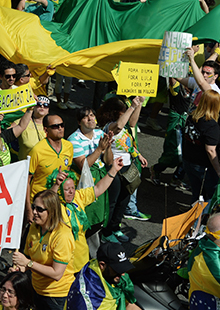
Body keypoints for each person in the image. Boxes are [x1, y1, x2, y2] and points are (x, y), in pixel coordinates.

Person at [49, 157, 124, 294]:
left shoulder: (78, 197)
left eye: (72, 187)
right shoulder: (53, 207)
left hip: (81, 261)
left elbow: (98, 188)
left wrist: (113, 170)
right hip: (63, 266)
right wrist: (56, 185)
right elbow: (46, 202)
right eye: (66, 189)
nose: (71, 191)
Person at [11, 190, 74, 310]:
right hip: (36, 289)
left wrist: (28, 263)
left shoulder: (62, 235)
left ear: (52, 211)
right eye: (34, 207)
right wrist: (19, 269)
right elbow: (28, 261)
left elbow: (57, 274)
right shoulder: (34, 228)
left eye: (39, 209)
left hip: (57, 296)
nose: (34, 212)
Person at [97, 96, 147, 243]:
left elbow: (132, 123)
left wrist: (139, 105)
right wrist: (132, 107)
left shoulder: (125, 126)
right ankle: (106, 232)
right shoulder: (110, 126)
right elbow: (119, 126)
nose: (126, 113)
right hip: (114, 169)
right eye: (123, 111)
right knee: (113, 201)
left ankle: (115, 228)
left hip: (126, 167)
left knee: (123, 200)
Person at [67, 107, 124, 224]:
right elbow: (83, 166)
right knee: (89, 210)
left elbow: (108, 161)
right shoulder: (73, 139)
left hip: (102, 175)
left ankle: (104, 232)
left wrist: (108, 147)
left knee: (106, 206)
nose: (90, 119)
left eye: (92, 115)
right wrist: (99, 149)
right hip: (86, 180)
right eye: (85, 117)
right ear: (79, 122)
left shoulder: (100, 133)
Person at [26, 114, 73, 222]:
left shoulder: (69, 147)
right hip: (40, 205)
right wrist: (29, 209)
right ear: (46, 129)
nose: (60, 128)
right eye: (55, 126)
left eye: (62, 125)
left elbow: (68, 172)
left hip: (58, 202)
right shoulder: (37, 151)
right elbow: (26, 181)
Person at [66, 242, 139, 310]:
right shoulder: (87, 300)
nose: (123, 274)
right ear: (102, 265)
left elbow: (128, 304)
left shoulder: (110, 276)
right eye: (117, 269)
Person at [182, 90, 220, 202]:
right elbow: (210, 150)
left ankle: (194, 216)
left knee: (197, 193)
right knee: (211, 196)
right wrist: (219, 171)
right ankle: (203, 218)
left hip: (189, 161)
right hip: (204, 166)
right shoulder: (211, 126)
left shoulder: (192, 117)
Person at [17, 96, 50, 160]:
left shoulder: (53, 125)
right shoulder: (23, 121)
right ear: (33, 107)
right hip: (26, 165)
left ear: (48, 110)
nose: (42, 106)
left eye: (45, 105)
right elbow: (7, 134)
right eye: (39, 104)